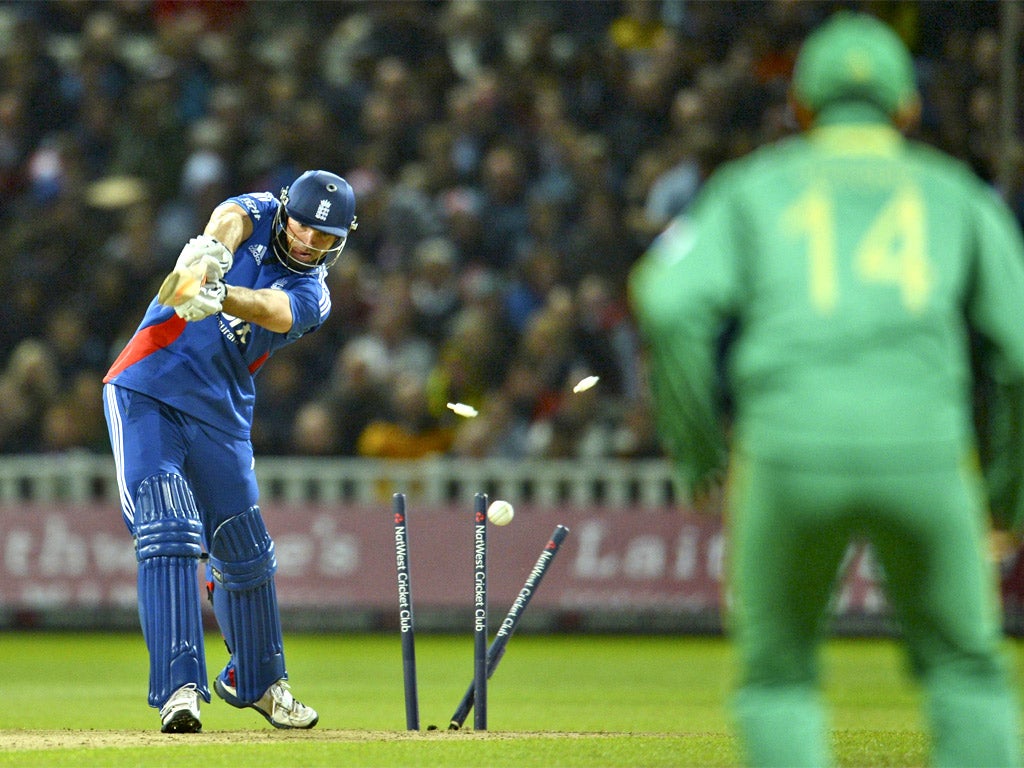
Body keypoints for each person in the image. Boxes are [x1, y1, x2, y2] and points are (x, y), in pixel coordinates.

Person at [629, 12, 1024, 768]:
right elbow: (1020, 349)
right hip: (927, 454)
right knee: (967, 671)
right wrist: (1009, 490)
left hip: (787, 453)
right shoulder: (959, 195)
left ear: (801, 108)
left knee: (779, 677)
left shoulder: (752, 188)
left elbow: (669, 302)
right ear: (908, 108)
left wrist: (702, 450)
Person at [102, 169, 357, 733]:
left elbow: (274, 310)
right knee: (168, 526)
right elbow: (229, 217)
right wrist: (212, 253)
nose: (308, 242)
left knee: (246, 550)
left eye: (325, 238)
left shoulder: (315, 293)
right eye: (302, 227)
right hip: (148, 389)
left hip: (223, 413)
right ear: (286, 209)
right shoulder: (260, 211)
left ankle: (260, 681)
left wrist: (219, 296)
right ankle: (180, 689)